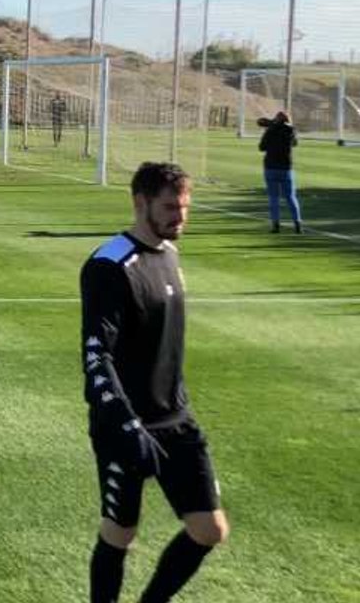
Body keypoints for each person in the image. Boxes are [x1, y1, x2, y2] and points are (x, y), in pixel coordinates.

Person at [81, 162, 229, 603]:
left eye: (185, 208)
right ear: (140, 202)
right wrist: (126, 425)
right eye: (169, 207)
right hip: (124, 424)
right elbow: (96, 355)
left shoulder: (170, 255)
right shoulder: (109, 265)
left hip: (176, 418)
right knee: (120, 533)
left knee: (209, 529)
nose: (179, 217)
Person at [258, 112, 302, 234]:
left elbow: (261, 147)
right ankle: (297, 224)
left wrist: (270, 128)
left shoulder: (270, 130)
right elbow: (295, 143)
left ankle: (276, 225)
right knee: (291, 197)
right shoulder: (290, 130)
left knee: (273, 198)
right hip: (286, 168)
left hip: (270, 167)